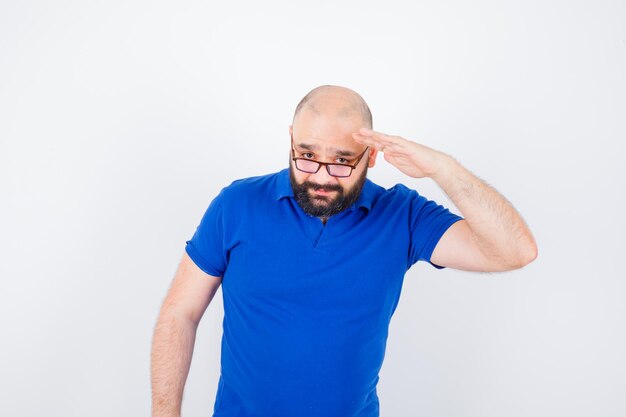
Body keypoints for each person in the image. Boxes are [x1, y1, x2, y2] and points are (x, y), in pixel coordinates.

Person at [151, 85, 538, 417]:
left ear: (371, 156)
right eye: (306, 155)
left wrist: (443, 169)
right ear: (290, 141)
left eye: (340, 161)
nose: (320, 177)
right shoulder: (237, 204)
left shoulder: (402, 215)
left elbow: (513, 251)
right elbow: (180, 313)